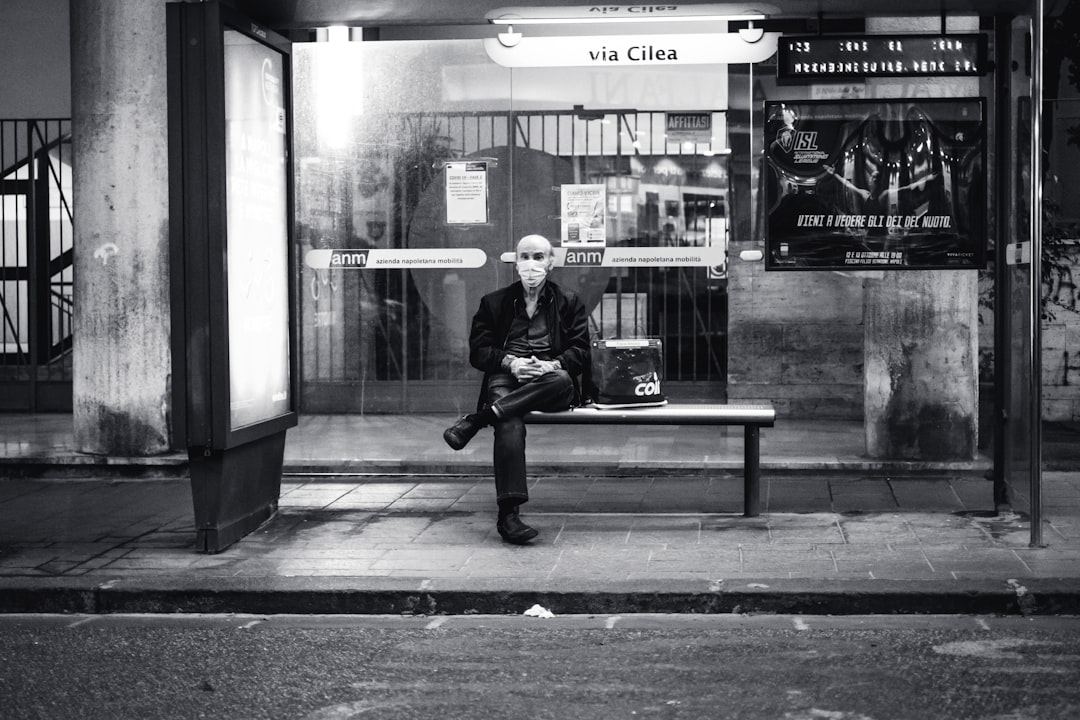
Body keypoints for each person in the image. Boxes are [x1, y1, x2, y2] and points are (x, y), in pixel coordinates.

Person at [442, 234, 590, 545]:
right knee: (509, 423)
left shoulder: (569, 301)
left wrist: (551, 365)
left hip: (550, 381)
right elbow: (479, 352)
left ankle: (480, 418)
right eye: (524, 257)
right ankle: (508, 515)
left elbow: (581, 352)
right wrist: (512, 362)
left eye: (538, 257)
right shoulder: (493, 303)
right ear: (515, 262)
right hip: (508, 377)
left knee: (561, 379)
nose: (531, 264)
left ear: (551, 262)